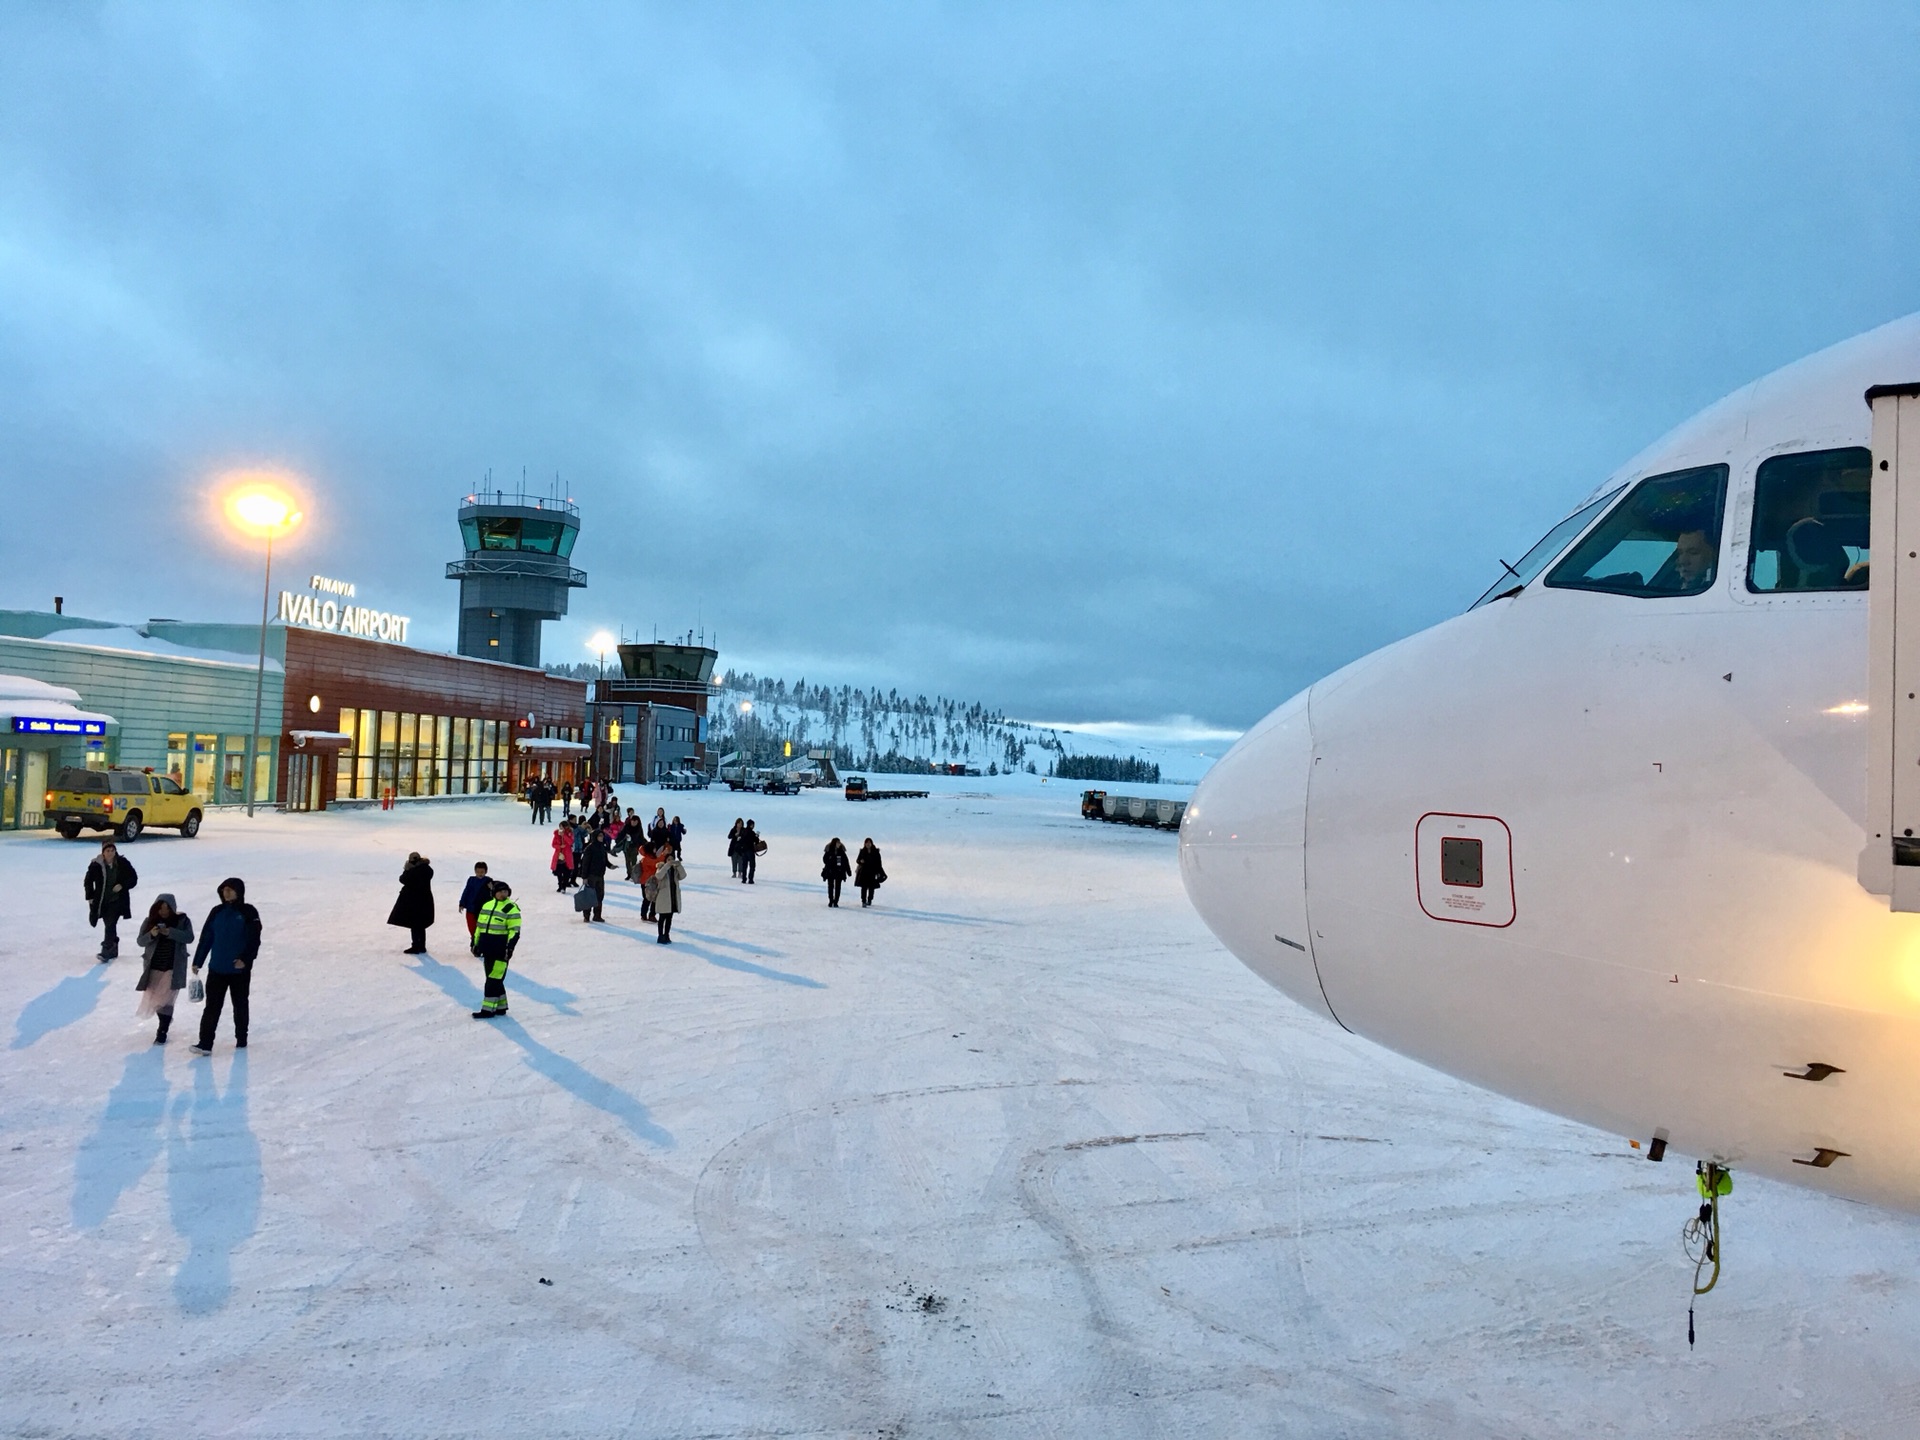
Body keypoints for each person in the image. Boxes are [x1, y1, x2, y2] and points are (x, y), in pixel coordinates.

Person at [189, 877, 262, 1054]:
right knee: (212, 1007)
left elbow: (254, 939)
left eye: (231, 889)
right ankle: (205, 1043)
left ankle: (241, 1039)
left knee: (240, 1005)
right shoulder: (216, 911)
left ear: (239, 891)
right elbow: (207, 937)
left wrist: (245, 959)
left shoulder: (249, 912)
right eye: (224, 890)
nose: (227, 892)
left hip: (239, 970)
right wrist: (198, 960)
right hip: (217, 969)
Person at [134, 894, 193, 1044]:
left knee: (167, 1000)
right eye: (161, 908)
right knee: (157, 999)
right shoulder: (149, 922)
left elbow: (189, 937)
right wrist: (152, 934)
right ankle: (163, 1024)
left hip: (173, 967)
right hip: (153, 968)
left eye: (167, 908)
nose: (164, 911)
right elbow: (141, 941)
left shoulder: (182, 921)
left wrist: (170, 932)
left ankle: (162, 1030)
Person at [471, 880, 521, 1018]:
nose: (503, 894)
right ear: (494, 893)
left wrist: (509, 948)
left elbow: (515, 931)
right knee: (493, 978)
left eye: (506, 891)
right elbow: (479, 927)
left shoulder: (511, 908)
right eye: (500, 891)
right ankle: (501, 1006)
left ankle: (487, 1010)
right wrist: (475, 944)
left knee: (493, 980)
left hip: (501, 951)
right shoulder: (487, 905)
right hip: (487, 949)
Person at [84, 841, 138, 962]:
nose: (110, 853)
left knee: (110, 924)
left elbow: (133, 878)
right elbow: (88, 881)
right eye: (107, 851)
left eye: (112, 851)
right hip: (102, 901)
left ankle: (106, 950)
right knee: (109, 924)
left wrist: (122, 885)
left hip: (118, 901)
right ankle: (113, 946)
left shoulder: (122, 863)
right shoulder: (96, 865)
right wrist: (90, 896)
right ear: (103, 853)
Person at [387, 852, 435, 954]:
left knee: (414, 924)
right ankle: (421, 946)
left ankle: (416, 946)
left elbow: (403, 879)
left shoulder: (414, 872)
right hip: (425, 900)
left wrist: (407, 869)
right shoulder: (426, 869)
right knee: (421, 925)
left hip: (414, 901)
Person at [650, 847, 685, 944]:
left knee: (669, 918)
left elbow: (683, 876)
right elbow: (658, 876)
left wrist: (679, 866)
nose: (670, 861)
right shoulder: (661, 867)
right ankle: (660, 936)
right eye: (668, 859)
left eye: (672, 859)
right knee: (662, 918)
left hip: (673, 897)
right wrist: (666, 866)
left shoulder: (675, 870)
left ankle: (667, 935)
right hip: (664, 897)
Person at [577, 827, 610, 923]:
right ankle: (586, 916)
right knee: (589, 896)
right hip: (591, 875)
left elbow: (605, 861)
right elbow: (585, 863)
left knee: (600, 896)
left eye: (602, 836)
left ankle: (597, 915)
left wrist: (611, 866)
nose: (602, 837)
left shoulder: (602, 847)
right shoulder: (589, 848)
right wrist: (584, 877)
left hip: (600, 875)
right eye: (600, 836)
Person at [457, 862, 492, 940]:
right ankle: (474, 940)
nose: (480, 874)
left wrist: (492, 888)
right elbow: (466, 892)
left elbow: (493, 894)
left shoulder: (488, 881)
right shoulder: (471, 880)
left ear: (486, 872)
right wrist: (462, 903)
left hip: (483, 909)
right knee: (472, 927)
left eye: (482, 872)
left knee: (482, 928)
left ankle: (480, 942)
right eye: (478, 872)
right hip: (471, 908)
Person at [855, 838, 887, 908]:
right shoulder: (862, 851)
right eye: (867, 843)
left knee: (871, 887)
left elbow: (879, 863)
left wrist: (879, 871)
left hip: (872, 871)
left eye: (869, 843)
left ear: (872, 843)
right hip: (864, 872)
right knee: (864, 887)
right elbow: (857, 860)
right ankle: (863, 900)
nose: (868, 844)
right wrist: (861, 861)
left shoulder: (876, 852)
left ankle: (869, 899)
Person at [821, 838, 852, 908]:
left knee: (838, 887)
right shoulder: (829, 851)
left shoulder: (842, 852)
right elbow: (824, 859)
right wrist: (830, 861)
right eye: (837, 843)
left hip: (839, 871)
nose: (839, 844)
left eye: (839, 843)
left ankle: (836, 901)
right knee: (830, 886)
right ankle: (831, 900)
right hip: (830, 871)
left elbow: (846, 862)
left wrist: (848, 871)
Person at [637, 840, 661, 920]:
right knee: (649, 899)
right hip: (648, 881)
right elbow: (655, 863)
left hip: (649, 881)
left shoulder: (648, 858)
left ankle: (648, 915)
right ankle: (647, 915)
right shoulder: (647, 859)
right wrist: (663, 855)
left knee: (652, 899)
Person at [551, 821, 576, 892]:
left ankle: (564, 885)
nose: (561, 829)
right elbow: (553, 844)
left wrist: (564, 835)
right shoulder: (556, 834)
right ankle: (560, 885)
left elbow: (570, 842)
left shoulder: (570, 833)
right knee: (559, 871)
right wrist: (559, 846)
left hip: (567, 854)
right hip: (559, 854)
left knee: (567, 871)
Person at [740, 820, 761, 885]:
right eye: (753, 825)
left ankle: (744, 879)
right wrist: (757, 836)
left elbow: (741, 840)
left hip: (744, 851)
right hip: (750, 851)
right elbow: (756, 841)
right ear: (751, 825)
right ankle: (750, 879)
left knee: (744, 866)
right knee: (752, 866)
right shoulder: (752, 833)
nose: (753, 826)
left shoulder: (743, 831)